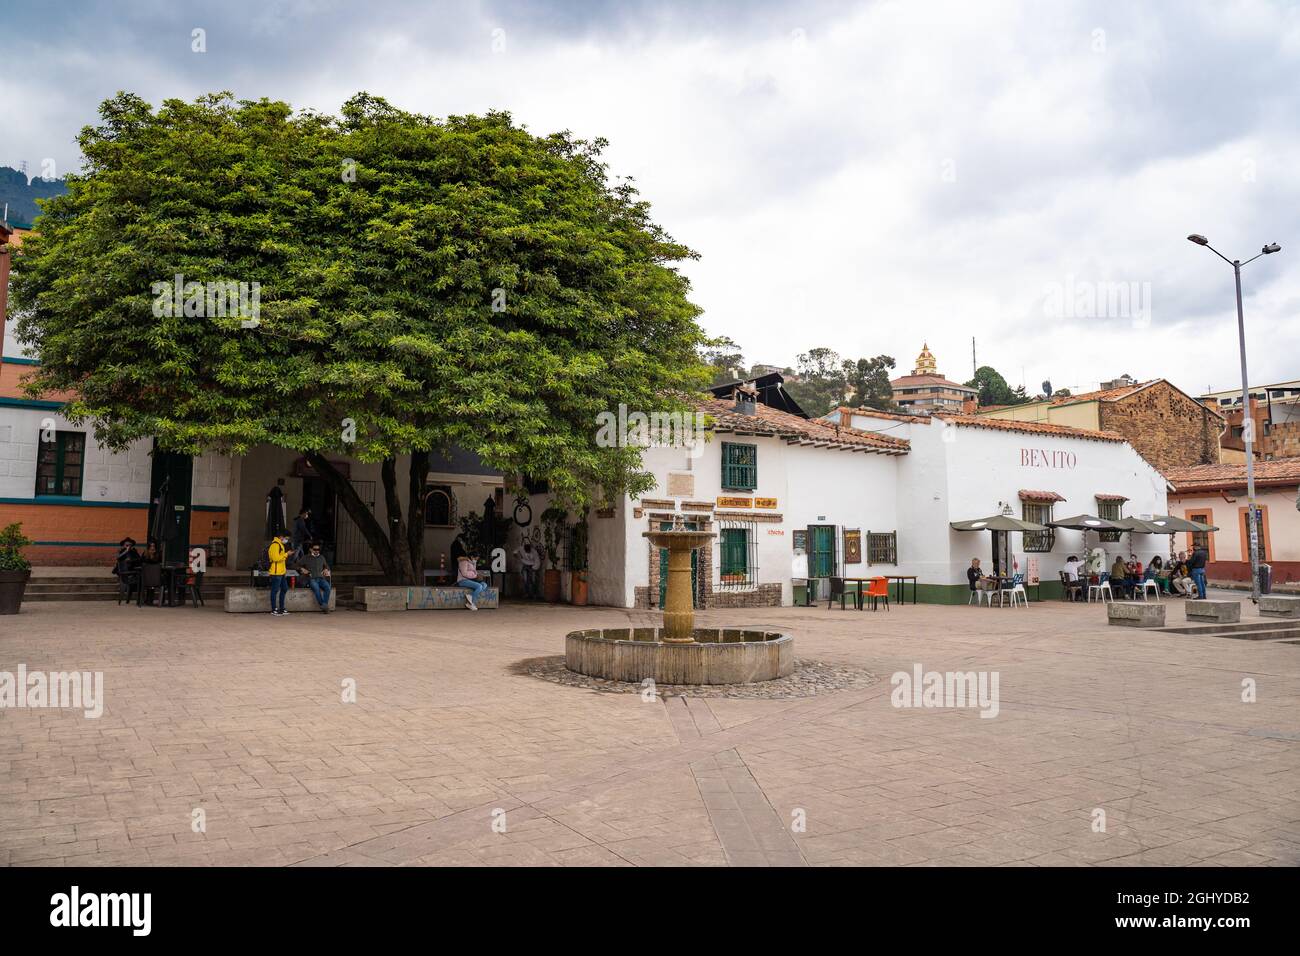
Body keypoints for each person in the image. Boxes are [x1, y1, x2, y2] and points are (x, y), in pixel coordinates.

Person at [296, 541, 333, 613]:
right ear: (311, 549)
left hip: (321, 578)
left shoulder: (322, 557)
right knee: (316, 589)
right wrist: (302, 569)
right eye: (315, 549)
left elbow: (326, 566)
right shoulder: (306, 557)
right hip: (311, 579)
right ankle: (324, 606)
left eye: (318, 549)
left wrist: (326, 569)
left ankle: (324, 605)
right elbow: (296, 565)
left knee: (328, 588)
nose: (317, 551)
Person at [268, 534, 290, 615]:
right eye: (286, 538)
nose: (287, 540)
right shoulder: (275, 545)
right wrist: (286, 554)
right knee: (275, 590)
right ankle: (274, 609)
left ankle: (281, 608)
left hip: (281, 572)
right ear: (281, 537)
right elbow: (275, 558)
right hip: (276, 572)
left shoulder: (280, 545)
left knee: (284, 588)